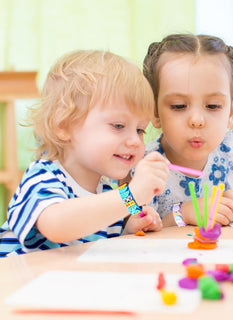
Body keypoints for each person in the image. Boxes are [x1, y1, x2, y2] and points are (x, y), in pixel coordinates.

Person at [0, 50, 169, 257]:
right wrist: (132, 195)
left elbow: (92, 240)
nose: (135, 141)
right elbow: (58, 226)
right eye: (118, 126)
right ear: (63, 125)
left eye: (140, 130)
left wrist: (130, 225)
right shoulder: (44, 176)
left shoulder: (107, 188)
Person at [142, 34, 233, 227]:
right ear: (154, 110)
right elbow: (130, 232)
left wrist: (232, 203)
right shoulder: (142, 170)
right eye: (178, 106)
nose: (196, 120)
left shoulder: (231, 156)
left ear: (232, 111)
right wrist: (183, 214)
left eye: (212, 106)